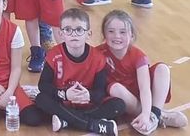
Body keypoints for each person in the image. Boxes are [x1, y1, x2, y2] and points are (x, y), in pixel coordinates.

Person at [33, 8, 125, 136]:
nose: (74, 34)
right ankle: (92, 125)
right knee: (41, 99)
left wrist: (89, 96)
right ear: (61, 34)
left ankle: (66, 120)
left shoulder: (98, 58)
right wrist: (65, 94)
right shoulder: (53, 54)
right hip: (63, 102)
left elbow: (100, 91)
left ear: (88, 34)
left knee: (118, 105)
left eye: (79, 30)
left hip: (87, 104)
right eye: (68, 30)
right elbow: (43, 85)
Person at [98, 10, 187, 133]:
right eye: (111, 31)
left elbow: (145, 88)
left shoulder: (138, 56)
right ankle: (158, 116)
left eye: (123, 32)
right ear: (104, 33)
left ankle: (153, 115)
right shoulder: (98, 53)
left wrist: (146, 114)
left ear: (132, 35)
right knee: (115, 88)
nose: (117, 36)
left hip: (143, 95)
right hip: (123, 100)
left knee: (162, 68)